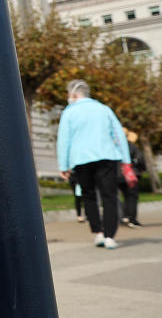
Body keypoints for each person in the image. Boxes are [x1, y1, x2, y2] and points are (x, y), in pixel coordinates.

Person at [57, 79, 130, 250]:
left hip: (81, 159)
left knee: (88, 195)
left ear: (74, 94)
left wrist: (63, 165)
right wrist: (125, 160)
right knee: (109, 196)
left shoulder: (69, 113)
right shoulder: (104, 109)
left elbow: (64, 140)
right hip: (107, 156)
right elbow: (118, 134)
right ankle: (110, 236)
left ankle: (98, 232)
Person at [119, 131, 145, 229]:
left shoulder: (114, 148)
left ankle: (125, 216)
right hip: (131, 174)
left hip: (117, 175)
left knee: (125, 196)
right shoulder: (131, 146)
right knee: (132, 196)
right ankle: (132, 219)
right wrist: (141, 169)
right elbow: (140, 159)